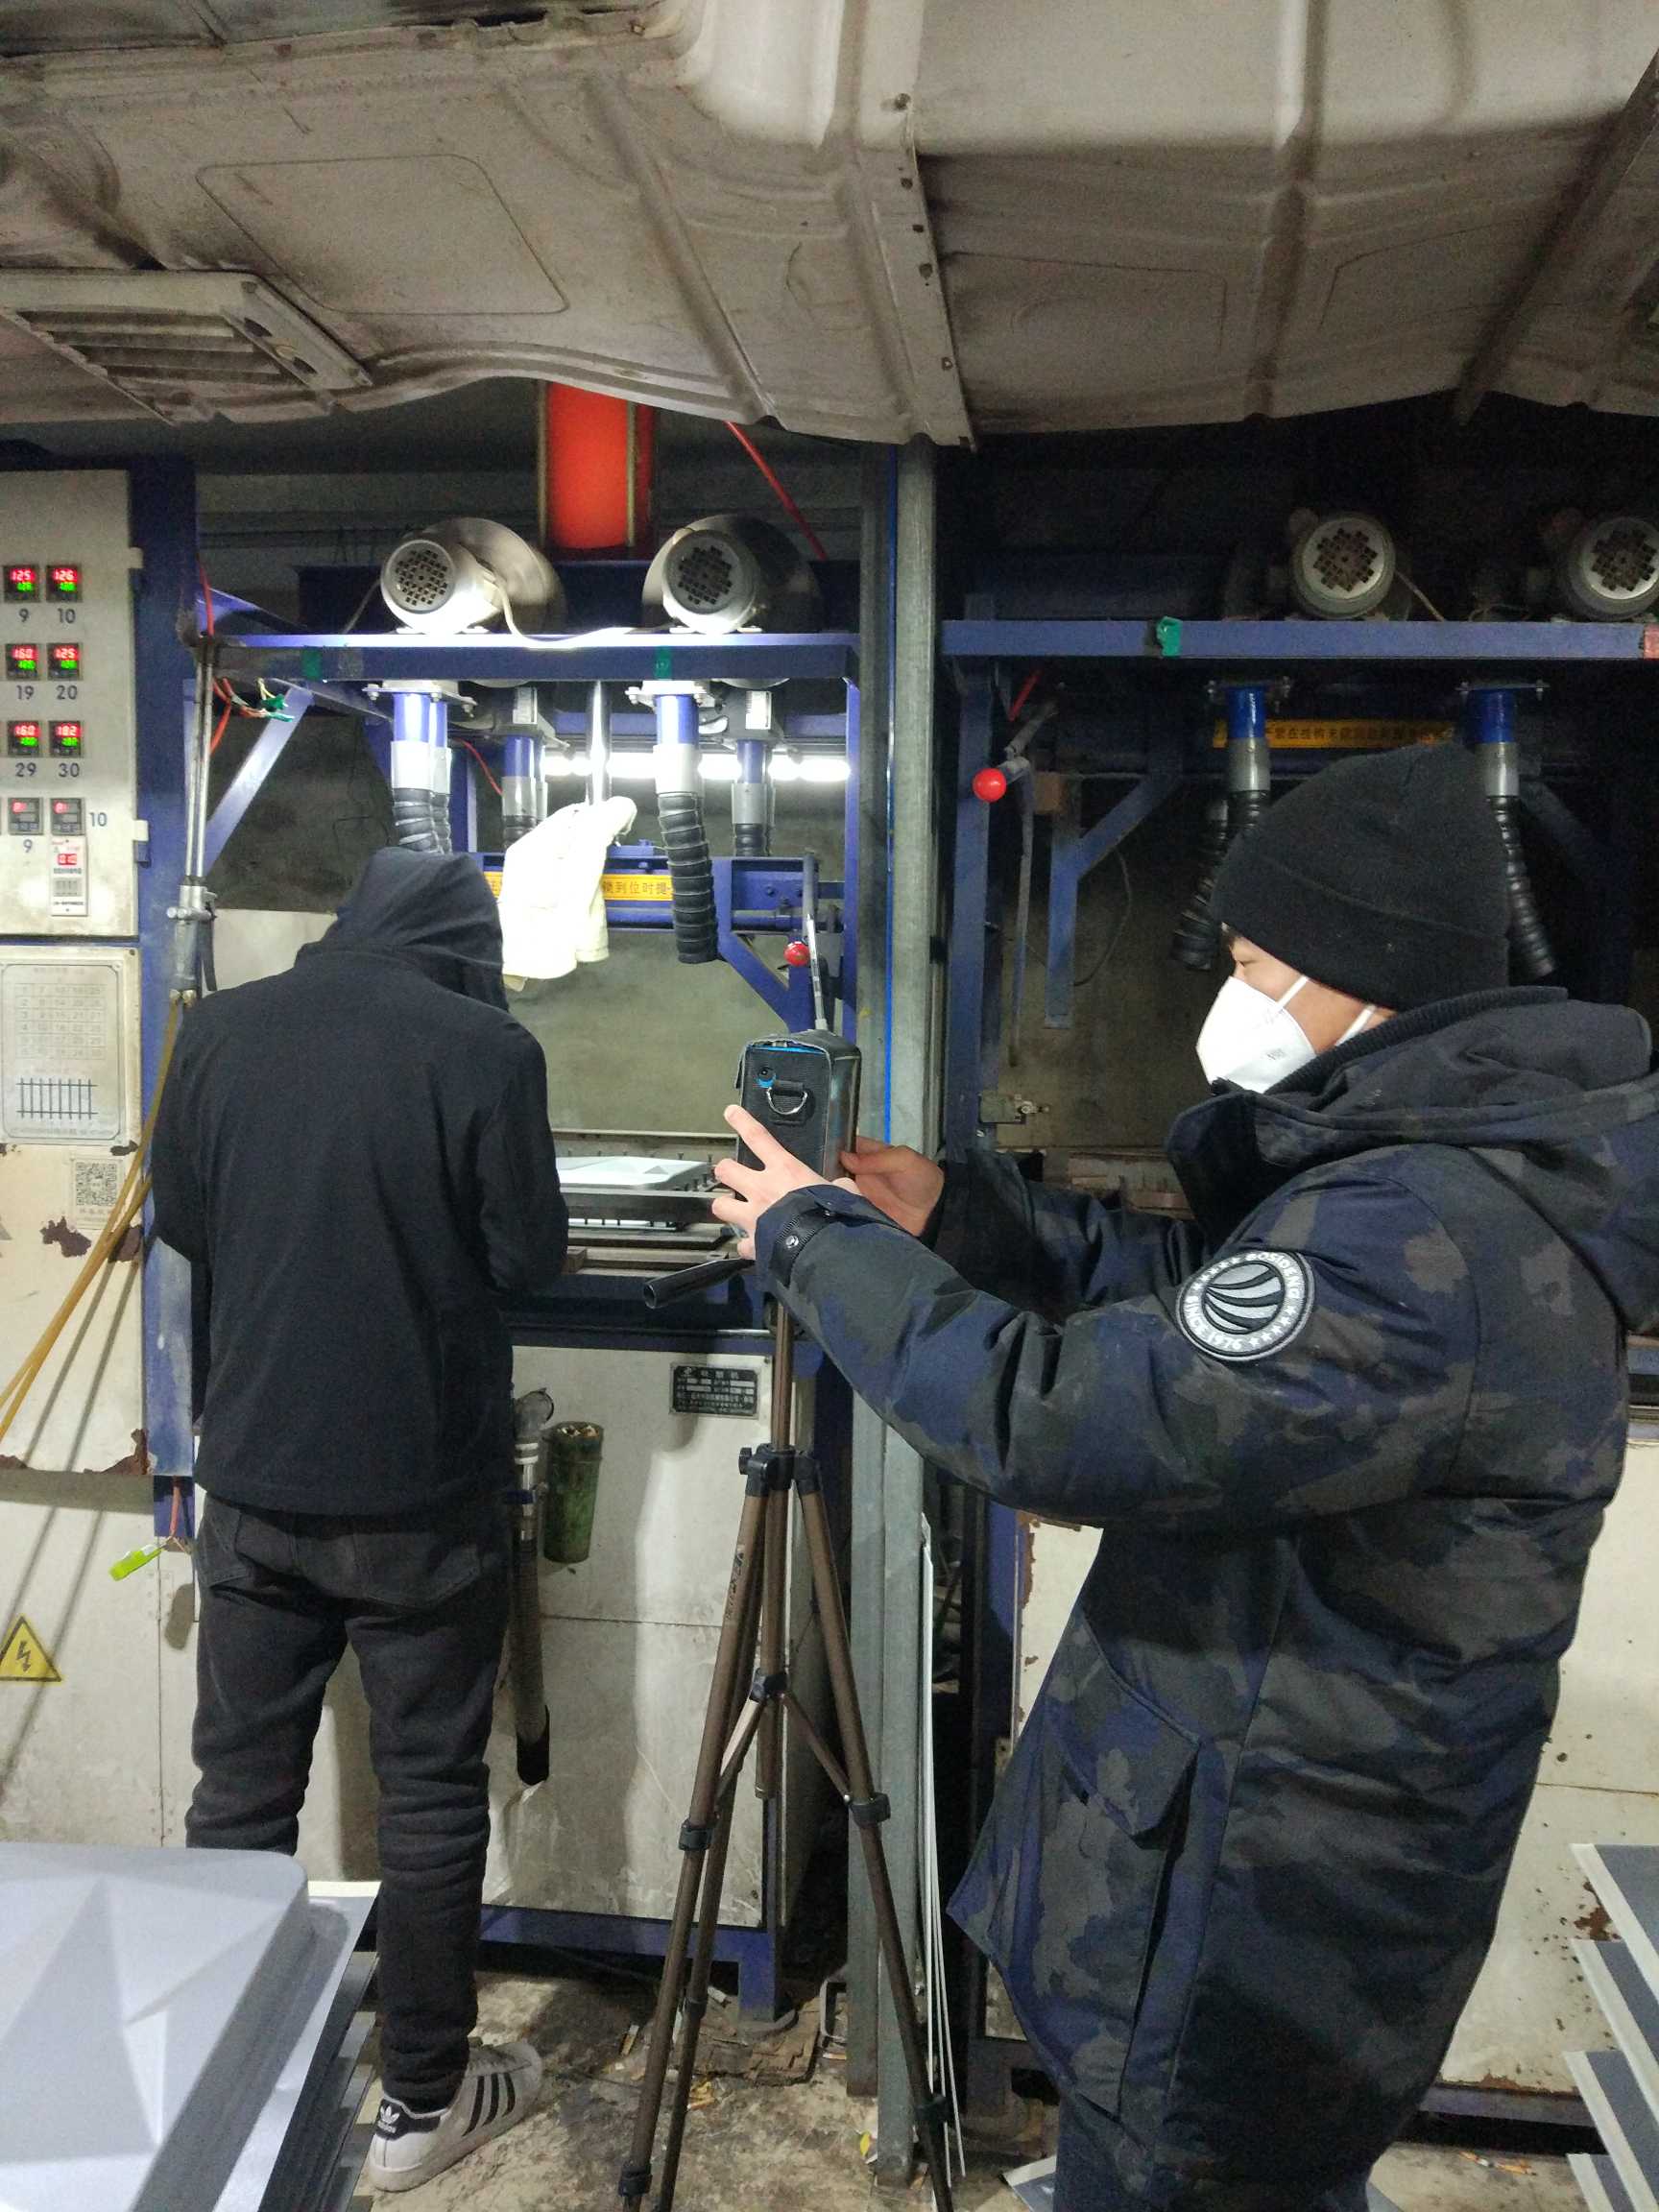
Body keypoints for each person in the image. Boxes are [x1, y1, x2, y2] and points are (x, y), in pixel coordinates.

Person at [710, 744, 1659, 2212]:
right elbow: (1198, 1298)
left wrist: (812, 1241)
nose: (1234, 995)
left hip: (1255, 1915)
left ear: (1366, 978)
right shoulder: (1421, 1173)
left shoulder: (1425, 1243)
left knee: (1183, 2179)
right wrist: (957, 1217)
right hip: (1260, 1870)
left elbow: (1061, 1419)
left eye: (1257, 966)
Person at [152, 848, 568, 2195]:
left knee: (239, 1792)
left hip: (255, 1484)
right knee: (429, 1798)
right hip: (421, 1503)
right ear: (463, 950)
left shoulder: (218, 1032)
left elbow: (188, 1221)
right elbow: (530, 1258)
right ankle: (424, 2105)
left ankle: (228, 2086)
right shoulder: (488, 1051)